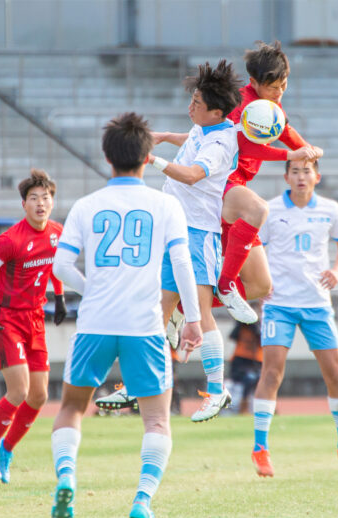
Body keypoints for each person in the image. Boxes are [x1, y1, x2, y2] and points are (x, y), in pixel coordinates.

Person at [49, 112, 203, 518]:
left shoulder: (86, 206)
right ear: (148, 155)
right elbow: (182, 263)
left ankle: (66, 476)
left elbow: (61, 267)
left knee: (71, 409)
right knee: (156, 420)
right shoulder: (165, 204)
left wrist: (89, 287)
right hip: (145, 326)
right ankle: (142, 499)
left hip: (95, 323)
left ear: (107, 157)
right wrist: (192, 319)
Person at [106, 60, 245, 423]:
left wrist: (152, 158)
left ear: (215, 111)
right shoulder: (206, 127)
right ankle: (137, 386)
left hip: (197, 233)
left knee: (200, 312)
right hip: (175, 229)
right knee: (158, 311)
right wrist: (168, 136)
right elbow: (192, 141)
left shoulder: (220, 141)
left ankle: (218, 389)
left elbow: (193, 174)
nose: (190, 107)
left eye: (196, 103)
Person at [251, 159, 338, 480]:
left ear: (317, 176)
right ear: (285, 176)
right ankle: (260, 448)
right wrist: (258, 285)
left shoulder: (331, 210)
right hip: (279, 304)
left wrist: (337, 271)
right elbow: (252, 249)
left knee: (335, 374)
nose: (300, 177)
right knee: (271, 373)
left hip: (316, 304)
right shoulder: (269, 210)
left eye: (306, 171)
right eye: (295, 171)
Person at [0, 169, 67, 484]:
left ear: (52, 201)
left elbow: (55, 265)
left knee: (39, 396)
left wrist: (60, 296)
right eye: (34, 198)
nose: (41, 203)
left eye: (46, 197)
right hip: (7, 319)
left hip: (35, 319)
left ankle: (6, 448)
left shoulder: (57, 232)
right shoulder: (10, 240)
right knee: (19, 390)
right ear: (24, 204)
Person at [216, 40, 323, 308]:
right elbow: (248, 147)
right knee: (257, 210)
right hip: (222, 183)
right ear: (253, 82)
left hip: (238, 184)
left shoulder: (268, 102)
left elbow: (283, 130)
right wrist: (291, 155)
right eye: (273, 87)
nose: (279, 92)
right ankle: (225, 284)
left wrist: (306, 150)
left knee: (260, 286)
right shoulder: (244, 105)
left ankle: (182, 306)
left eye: (283, 85)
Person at [226, 320, 263, 414]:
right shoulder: (241, 327)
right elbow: (232, 336)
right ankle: (244, 405)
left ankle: (267, 406)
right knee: (249, 377)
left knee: (262, 378)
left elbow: (261, 337)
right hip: (240, 364)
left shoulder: (260, 327)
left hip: (256, 363)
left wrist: (255, 324)